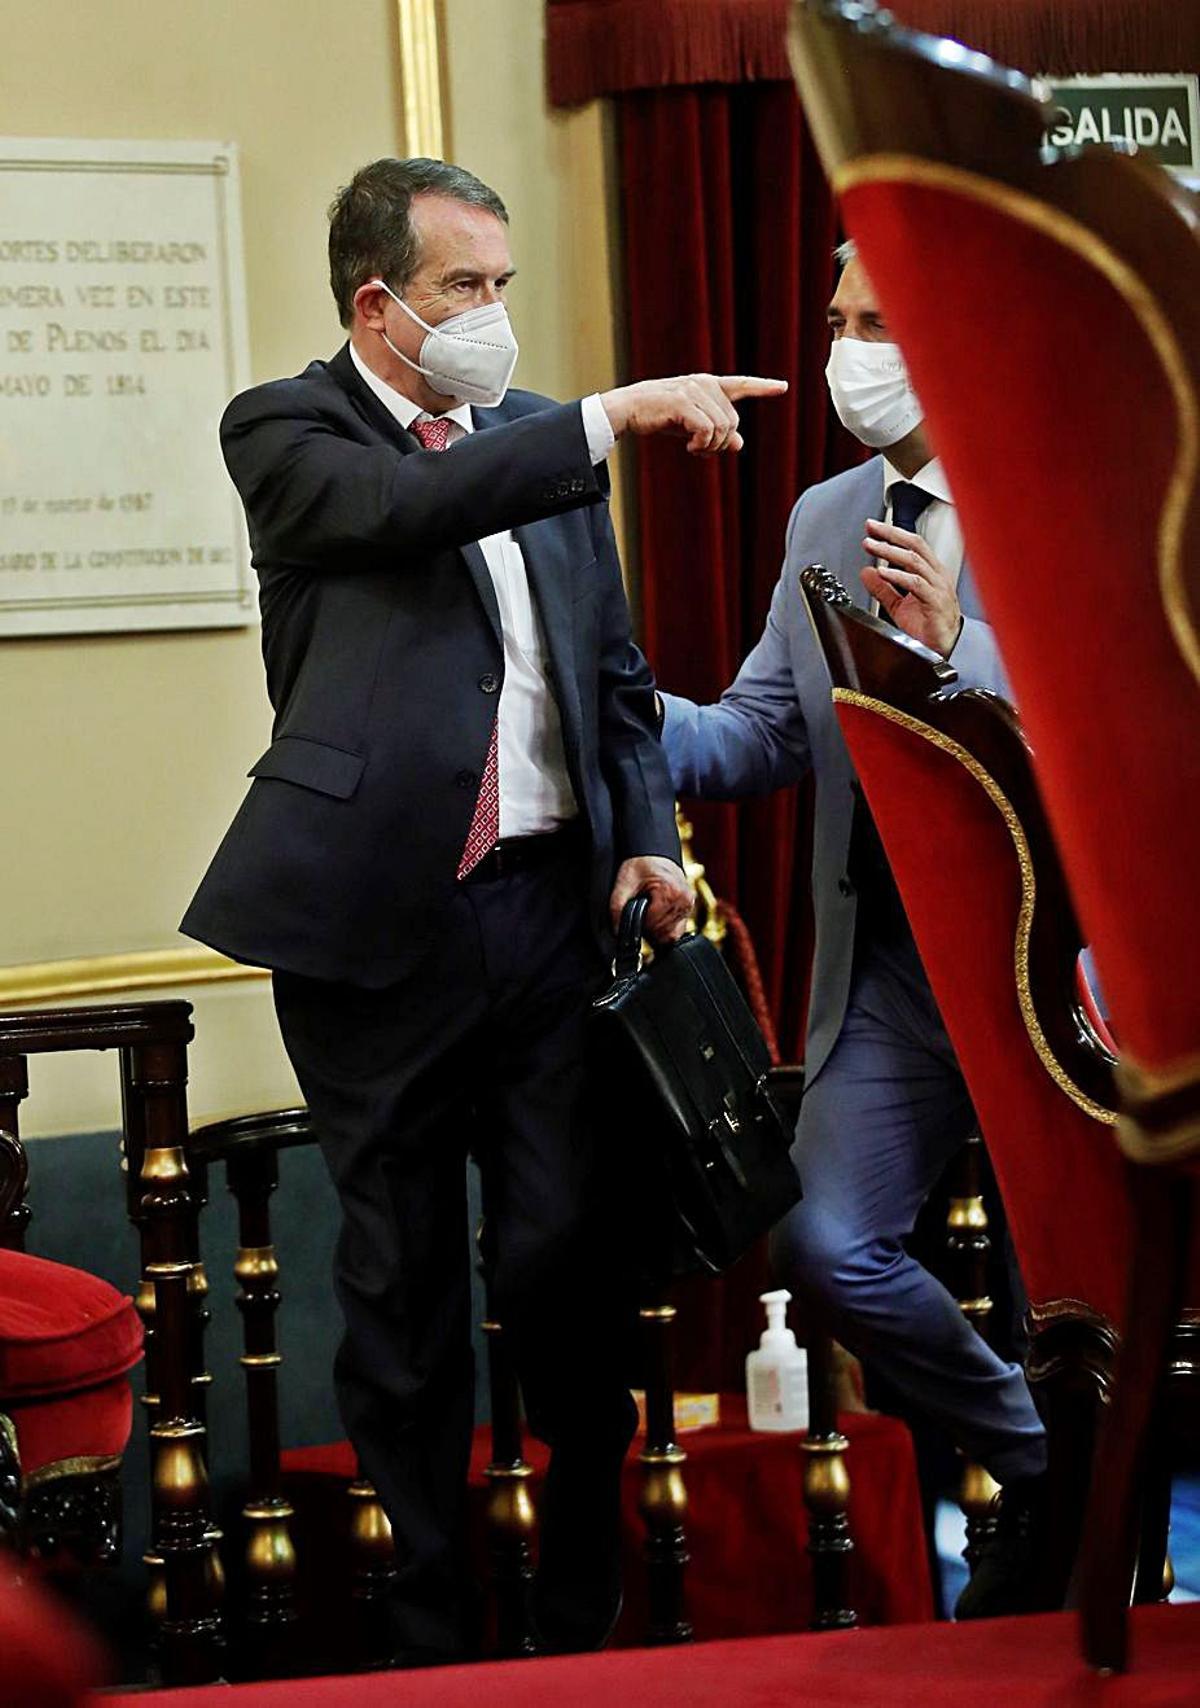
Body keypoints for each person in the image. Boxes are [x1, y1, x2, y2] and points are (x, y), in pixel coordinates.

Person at [181, 156, 786, 1664]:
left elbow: (615, 679)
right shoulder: (289, 430)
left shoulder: (538, 445)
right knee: (400, 1293)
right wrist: (604, 419)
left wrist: (643, 835)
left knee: (565, 1264)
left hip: (546, 918)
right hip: (380, 931)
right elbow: (406, 506)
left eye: (505, 286)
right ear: (378, 302)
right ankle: (432, 1636)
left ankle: (583, 1612)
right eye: (466, 289)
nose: (495, 317)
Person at [659, 241, 1049, 1619]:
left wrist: (961, 655)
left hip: (1053, 976)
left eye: (879, 320)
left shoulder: (1058, 482)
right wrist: (601, 703)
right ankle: (1039, 1461)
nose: (848, 352)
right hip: (889, 968)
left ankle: (1102, 1503)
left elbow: (1132, 724)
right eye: (837, 321)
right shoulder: (826, 514)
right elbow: (762, 727)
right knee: (823, 1247)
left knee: (1093, 1290)